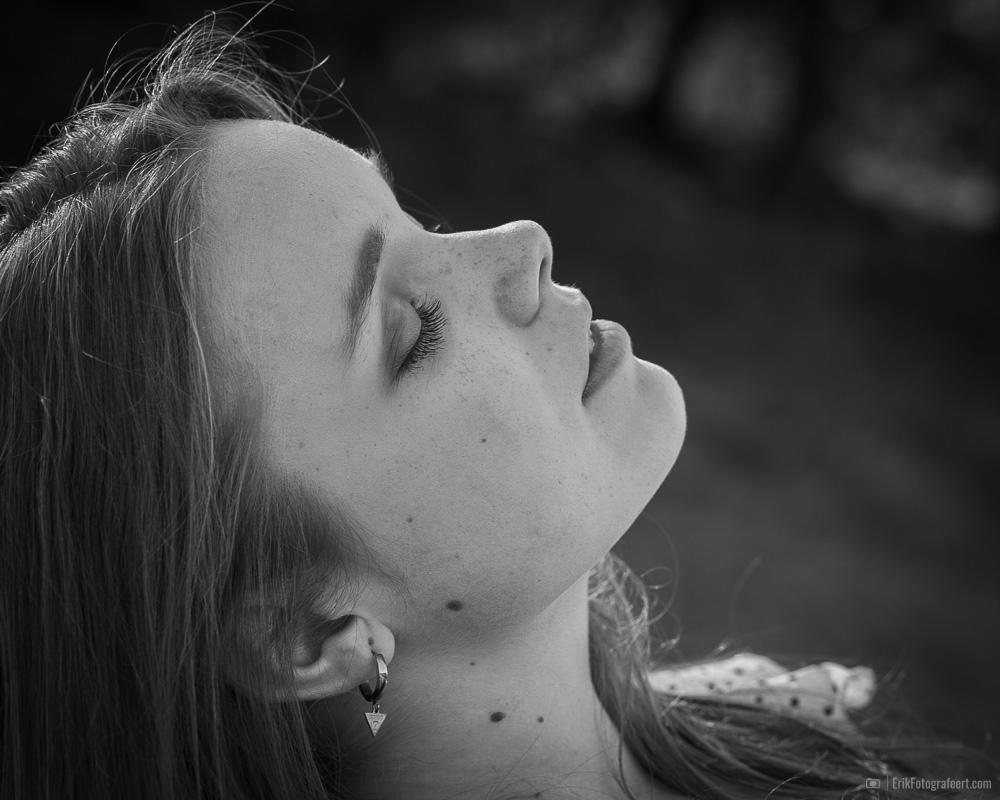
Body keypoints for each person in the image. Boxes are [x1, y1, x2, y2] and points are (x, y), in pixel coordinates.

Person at [0, 14, 992, 800]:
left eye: (416, 220)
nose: (523, 243)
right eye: (413, 330)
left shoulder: (780, 716)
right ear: (304, 633)